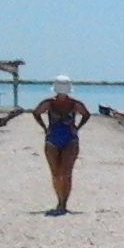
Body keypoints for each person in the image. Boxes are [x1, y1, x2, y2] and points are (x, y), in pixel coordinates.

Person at [30, 76, 91, 214]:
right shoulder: (50, 103)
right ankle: (60, 200)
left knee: (65, 171)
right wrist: (44, 127)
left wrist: (78, 127)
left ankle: (63, 202)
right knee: (56, 172)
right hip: (54, 137)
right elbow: (36, 113)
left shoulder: (72, 104)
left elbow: (86, 114)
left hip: (68, 138)